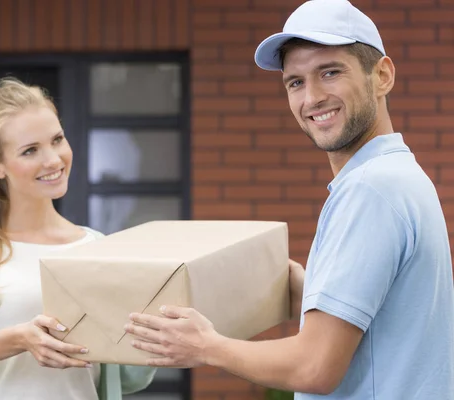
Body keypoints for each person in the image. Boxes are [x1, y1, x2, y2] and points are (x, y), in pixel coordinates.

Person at [123, 0, 454, 398]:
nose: (311, 98)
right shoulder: (400, 176)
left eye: (329, 73)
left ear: (381, 76)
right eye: (295, 82)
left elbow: (314, 367)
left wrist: (207, 346)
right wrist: (306, 287)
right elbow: (387, 325)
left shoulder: (370, 189)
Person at [0, 77, 156, 400]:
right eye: (30, 151)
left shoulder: (100, 248)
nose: (53, 160)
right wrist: (20, 340)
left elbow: (128, 377)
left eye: (57, 139)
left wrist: (146, 328)